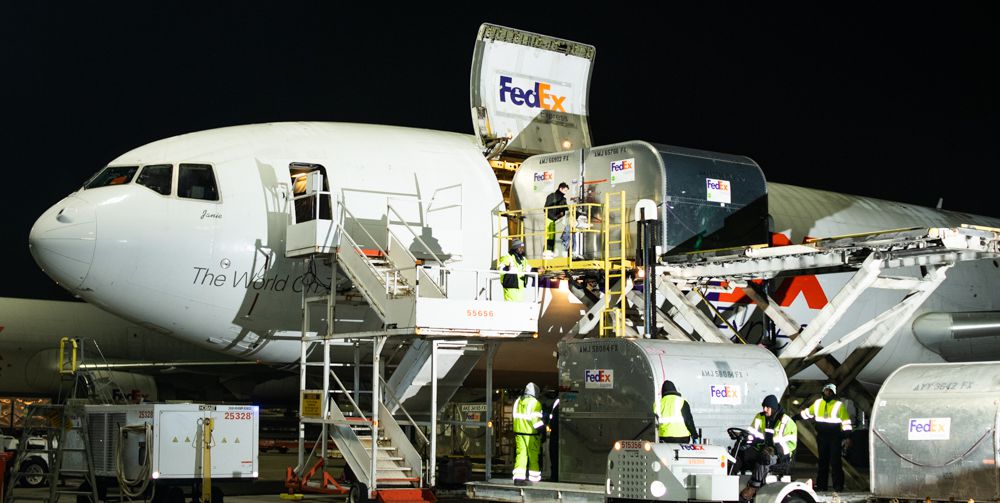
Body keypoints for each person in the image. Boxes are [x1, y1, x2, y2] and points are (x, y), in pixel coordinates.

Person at [739, 395, 797, 503]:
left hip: (780, 455)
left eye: (767, 407)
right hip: (763, 449)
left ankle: (753, 487)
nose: (764, 409)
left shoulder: (787, 421)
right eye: (764, 407)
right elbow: (752, 434)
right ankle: (731, 483)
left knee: (764, 457)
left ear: (774, 408)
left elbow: (791, 444)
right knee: (740, 453)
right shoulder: (759, 417)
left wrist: (774, 450)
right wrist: (744, 441)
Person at [800, 383, 852, 491]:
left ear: (833, 393)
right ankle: (822, 486)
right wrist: (795, 417)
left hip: (834, 437)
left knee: (835, 462)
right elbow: (807, 413)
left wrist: (846, 436)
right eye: (826, 390)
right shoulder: (818, 403)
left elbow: (846, 422)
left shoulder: (838, 405)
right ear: (823, 391)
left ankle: (838, 486)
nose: (828, 393)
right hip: (822, 437)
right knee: (823, 462)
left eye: (830, 391)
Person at [512, 382, 544, 486]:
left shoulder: (518, 401)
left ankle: (518, 478)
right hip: (531, 435)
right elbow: (536, 420)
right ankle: (534, 479)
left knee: (521, 455)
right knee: (533, 456)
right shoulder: (535, 403)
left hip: (519, 433)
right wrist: (542, 430)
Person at [543, 182, 570, 258]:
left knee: (559, 236)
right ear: (560, 188)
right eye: (565, 190)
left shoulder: (563, 199)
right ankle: (548, 251)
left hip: (559, 221)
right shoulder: (551, 196)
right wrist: (554, 218)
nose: (566, 192)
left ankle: (557, 252)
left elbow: (566, 210)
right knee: (550, 236)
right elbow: (546, 209)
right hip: (550, 219)